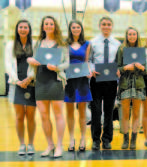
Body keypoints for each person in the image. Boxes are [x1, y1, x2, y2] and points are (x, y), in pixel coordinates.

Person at [27, 16, 69, 158]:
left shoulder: (62, 44)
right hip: (41, 80)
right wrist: (31, 60)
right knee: (44, 115)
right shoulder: (38, 43)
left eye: (51, 24)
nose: (49, 26)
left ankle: (59, 146)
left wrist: (57, 67)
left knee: (58, 115)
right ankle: (50, 145)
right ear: (43, 26)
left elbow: (67, 63)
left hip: (55, 81)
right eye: (46, 24)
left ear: (55, 26)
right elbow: (32, 59)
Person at [89, 16, 121, 150]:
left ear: (112, 26)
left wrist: (119, 70)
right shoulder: (93, 42)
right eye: (104, 24)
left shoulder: (118, 44)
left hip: (111, 80)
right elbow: (89, 60)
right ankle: (96, 140)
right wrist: (91, 69)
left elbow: (119, 62)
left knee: (109, 111)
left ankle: (107, 139)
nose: (106, 27)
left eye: (108, 24)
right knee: (96, 111)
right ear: (99, 26)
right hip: (96, 79)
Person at [5, 19, 36, 155]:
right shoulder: (10, 45)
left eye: (25, 27)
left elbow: (37, 64)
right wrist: (17, 80)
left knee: (31, 116)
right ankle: (22, 144)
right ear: (17, 29)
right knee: (19, 116)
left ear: (29, 29)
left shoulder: (35, 44)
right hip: (16, 84)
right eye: (21, 27)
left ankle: (31, 144)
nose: (23, 29)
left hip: (31, 84)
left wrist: (29, 78)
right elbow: (7, 64)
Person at [65, 20, 93, 152]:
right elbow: (63, 61)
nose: (76, 29)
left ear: (81, 29)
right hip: (69, 79)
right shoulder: (65, 43)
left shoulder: (87, 44)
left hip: (82, 79)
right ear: (70, 29)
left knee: (82, 111)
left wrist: (89, 71)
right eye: (73, 27)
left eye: (78, 27)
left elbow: (87, 61)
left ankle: (82, 138)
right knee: (69, 111)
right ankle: (71, 139)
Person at [117, 26, 146, 149]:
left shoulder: (141, 50)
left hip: (138, 84)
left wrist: (141, 67)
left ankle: (134, 139)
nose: (132, 36)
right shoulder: (121, 49)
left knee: (136, 113)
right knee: (124, 114)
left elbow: (145, 71)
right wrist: (125, 68)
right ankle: (125, 138)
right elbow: (117, 67)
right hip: (125, 83)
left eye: (134, 34)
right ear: (127, 36)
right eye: (130, 34)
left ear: (137, 36)